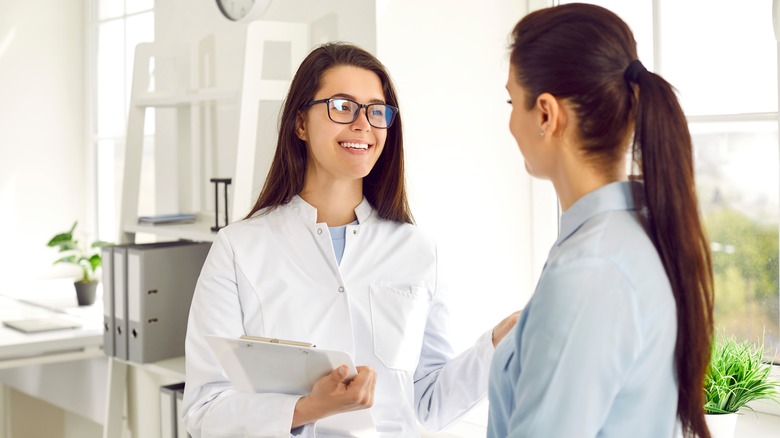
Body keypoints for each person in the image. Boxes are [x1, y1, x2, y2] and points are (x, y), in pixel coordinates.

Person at [182, 42, 519, 437]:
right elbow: (204, 410)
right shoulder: (239, 248)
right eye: (342, 106)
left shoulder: (418, 250)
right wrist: (307, 409)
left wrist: (494, 346)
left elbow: (424, 404)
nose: (363, 125)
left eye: (377, 111)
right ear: (301, 123)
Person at [488, 4, 714, 438]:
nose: (511, 122)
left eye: (511, 100)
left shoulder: (591, 269)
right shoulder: (634, 236)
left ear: (546, 115)